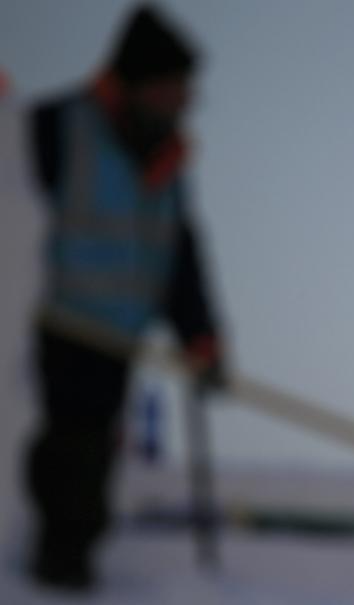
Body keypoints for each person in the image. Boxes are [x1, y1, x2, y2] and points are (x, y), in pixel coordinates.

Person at [23, 4, 225, 591]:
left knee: (94, 452)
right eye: (174, 88)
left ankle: (65, 563)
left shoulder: (164, 164)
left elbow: (178, 259)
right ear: (138, 82)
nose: (184, 102)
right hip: (53, 327)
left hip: (117, 340)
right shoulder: (56, 129)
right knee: (71, 453)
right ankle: (55, 571)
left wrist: (201, 337)